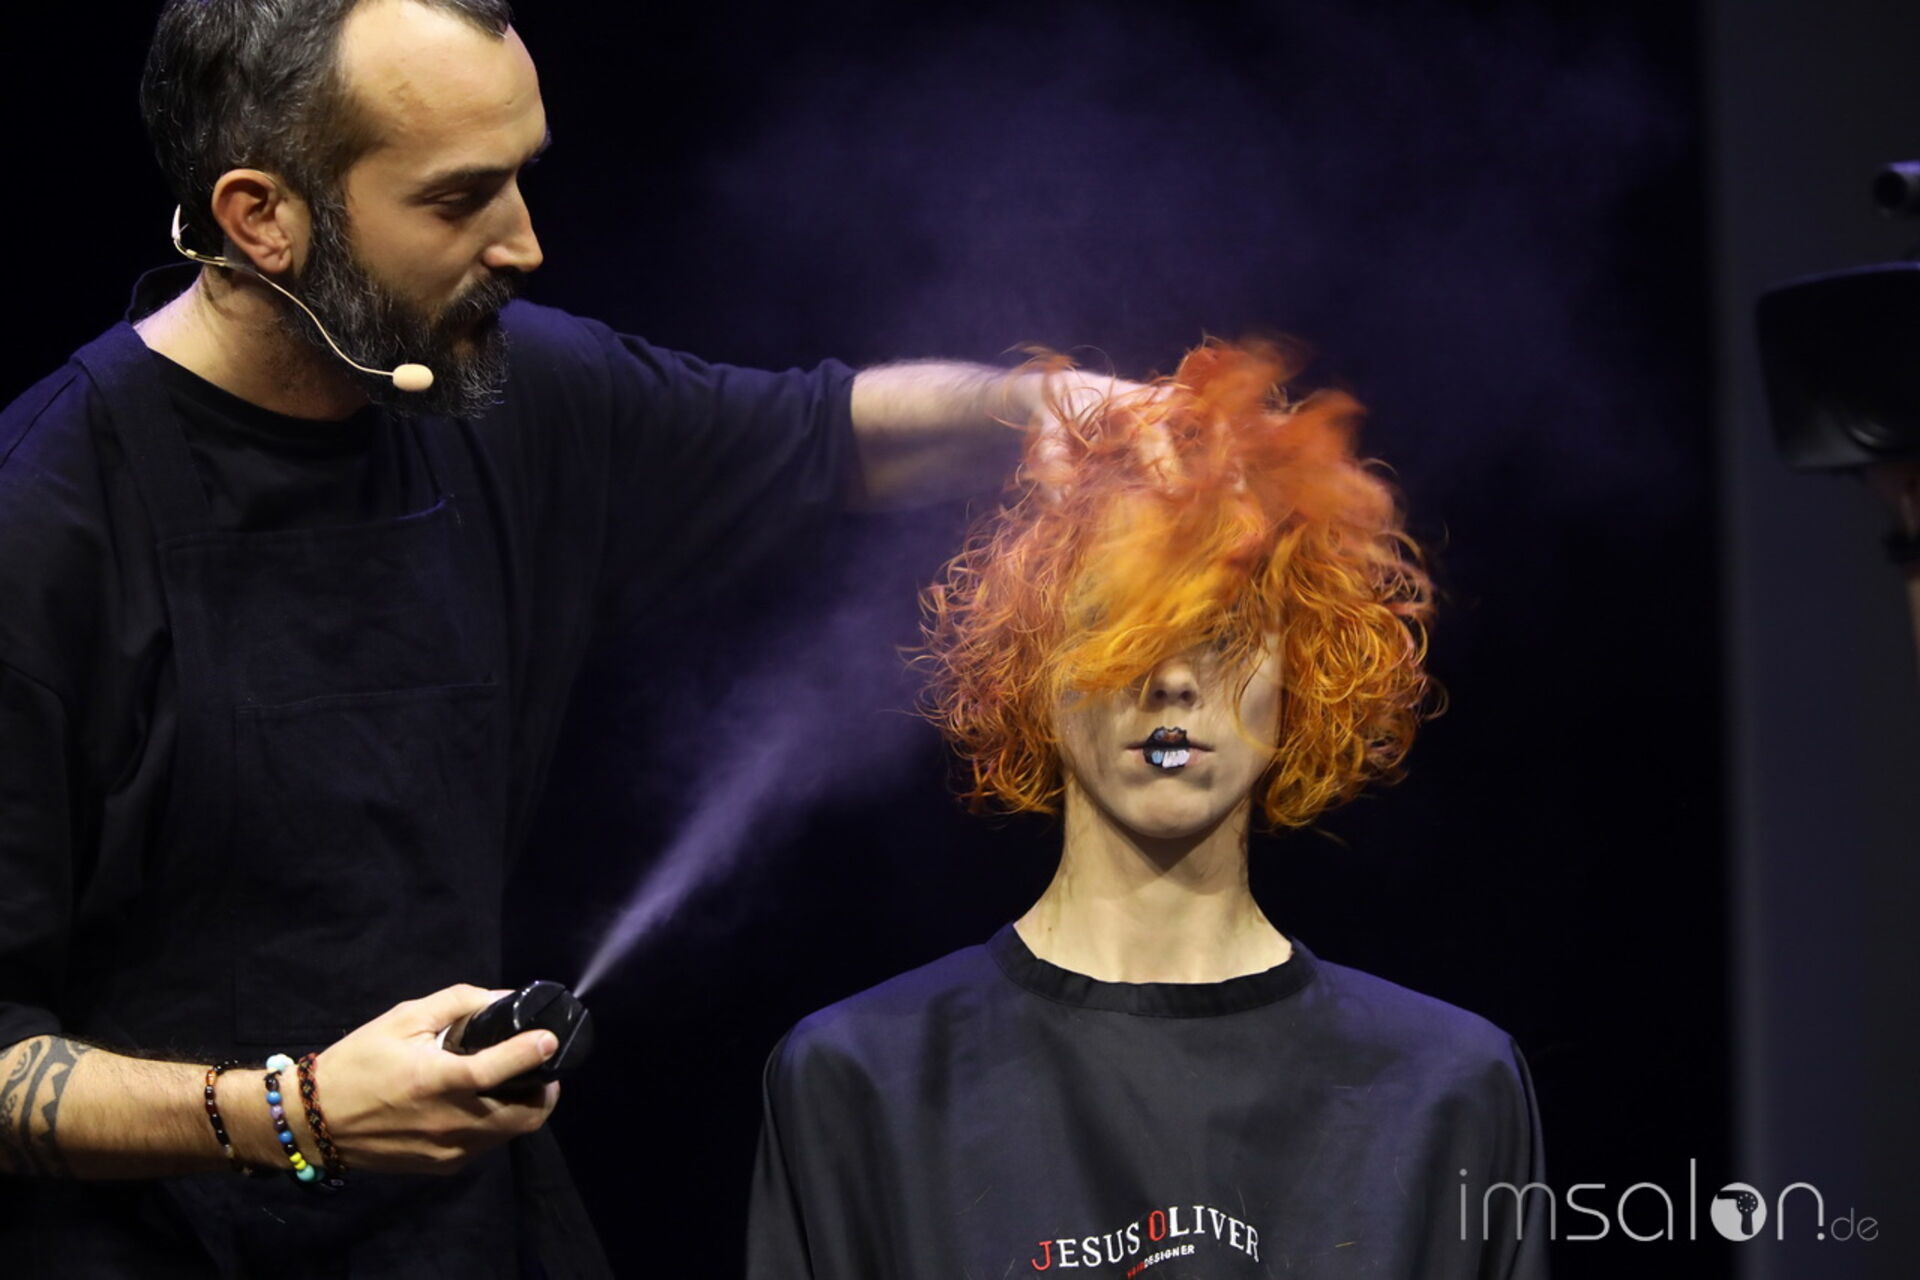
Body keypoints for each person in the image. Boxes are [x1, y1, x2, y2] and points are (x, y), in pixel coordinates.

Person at [0, 1, 1128, 1274]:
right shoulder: (43, 522)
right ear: (262, 216)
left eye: (522, 176)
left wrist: (1038, 408)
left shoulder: (504, 395)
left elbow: (827, 434)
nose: (526, 243)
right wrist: (291, 1113)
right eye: (458, 198)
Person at [746, 342, 1553, 1278]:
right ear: (1037, 668)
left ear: (1297, 672)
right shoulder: (865, 1081)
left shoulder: (1447, 1091)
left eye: (1221, 631)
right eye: (1121, 621)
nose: (1171, 679)